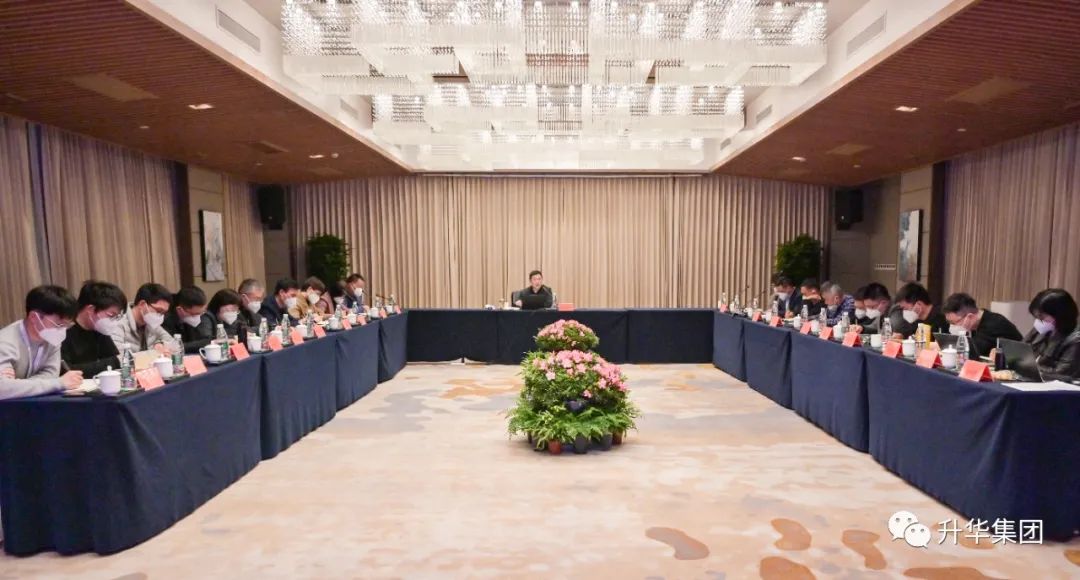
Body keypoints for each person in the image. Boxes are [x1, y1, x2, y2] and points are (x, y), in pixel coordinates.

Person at [0, 285, 84, 400]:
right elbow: (2, 389)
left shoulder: (52, 339)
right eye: (59, 324)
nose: (62, 330)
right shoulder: (5, 342)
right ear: (34, 317)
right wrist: (59, 383)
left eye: (67, 325)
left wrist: (17, 386)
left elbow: (50, 373)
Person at [61, 280, 127, 376]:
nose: (113, 321)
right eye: (111, 315)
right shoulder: (63, 330)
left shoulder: (99, 329)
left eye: (117, 317)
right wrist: (111, 363)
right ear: (90, 309)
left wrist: (113, 362)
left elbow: (115, 359)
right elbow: (66, 371)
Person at [942, 293, 1022, 359]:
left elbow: (973, 353)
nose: (953, 326)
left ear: (970, 317)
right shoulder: (976, 324)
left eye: (955, 322)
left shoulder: (994, 324)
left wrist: (946, 345)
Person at [1023, 288, 1080, 380]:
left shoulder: (1075, 339)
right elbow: (1021, 350)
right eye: (1036, 317)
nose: (1038, 321)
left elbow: (1063, 373)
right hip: (1034, 380)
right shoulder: (1042, 329)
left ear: (1059, 314)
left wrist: (1031, 368)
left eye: (1042, 317)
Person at [111, 283, 179, 353]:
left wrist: (160, 343)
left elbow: (174, 345)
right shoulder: (118, 322)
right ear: (142, 304)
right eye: (158, 311)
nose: (160, 316)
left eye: (163, 313)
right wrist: (153, 353)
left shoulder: (151, 323)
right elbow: (119, 356)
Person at [163, 286, 214, 354]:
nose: (199, 317)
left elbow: (205, 341)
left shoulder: (198, 316)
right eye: (195, 314)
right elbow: (172, 347)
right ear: (180, 310)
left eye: (201, 313)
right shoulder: (165, 320)